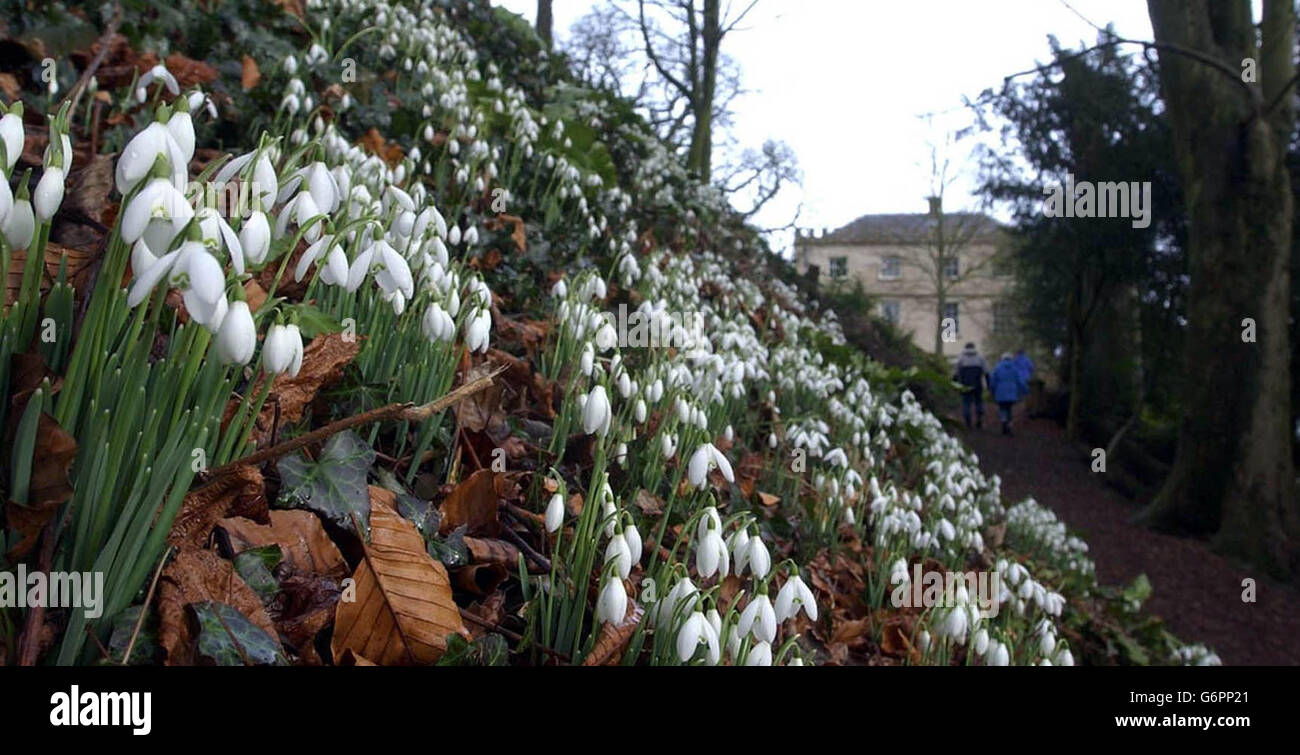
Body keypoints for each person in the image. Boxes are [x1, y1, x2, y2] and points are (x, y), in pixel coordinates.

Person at [988, 352, 1028, 436]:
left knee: (1002, 408)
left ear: (1002, 358)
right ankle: (1009, 424)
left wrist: (991, 390)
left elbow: (993, 380)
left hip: (1000, 392)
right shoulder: (1015, 368)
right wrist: (1025, 391)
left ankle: (1004, 421)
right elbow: (1020, 381)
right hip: (1012, 392)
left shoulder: (997, 367)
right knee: (1009, 409)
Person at [951, 342, 989, 429]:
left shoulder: (961, 358)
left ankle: (968, 421)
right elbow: (986, 372)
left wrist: (954, 383)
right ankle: (979, 418)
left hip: (965, 385)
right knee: (978, 402)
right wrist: (988, 384)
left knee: (966, 403)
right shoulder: (980, 358)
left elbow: (955, 373)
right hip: (977, 384)